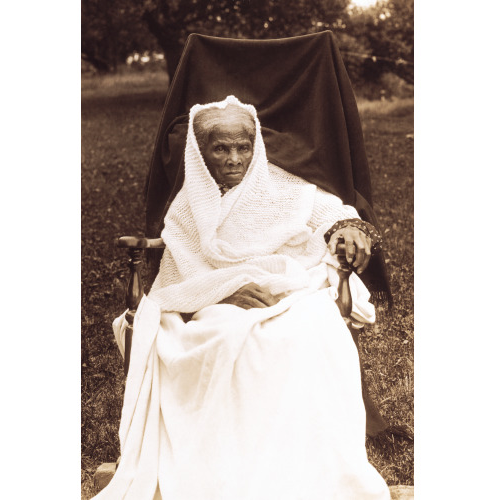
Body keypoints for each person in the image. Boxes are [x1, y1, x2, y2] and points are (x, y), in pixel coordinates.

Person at [93, 95, 391, 499]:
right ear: (201, 152)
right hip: (213, 303)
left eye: (243, 146)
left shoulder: (281, 183)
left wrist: (349, 228)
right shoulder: (187, 205)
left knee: (306, 331)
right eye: (221, 148)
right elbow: (180, 275)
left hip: (290, 289)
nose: (235, 158)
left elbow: (330, 211)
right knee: (217, 336)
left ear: (256, 146)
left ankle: (296, 462)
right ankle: (225, 464)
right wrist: (223, 291)